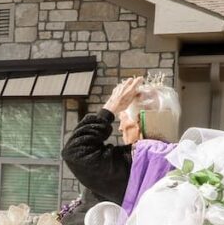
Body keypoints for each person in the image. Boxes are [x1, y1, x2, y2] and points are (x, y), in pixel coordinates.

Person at [61, 74, 181, 216]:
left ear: (139, 122)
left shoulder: (134, 163)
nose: (120, 127)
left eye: (122, 118)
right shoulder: (178, 158)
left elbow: (75, 151)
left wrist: (111, 107)